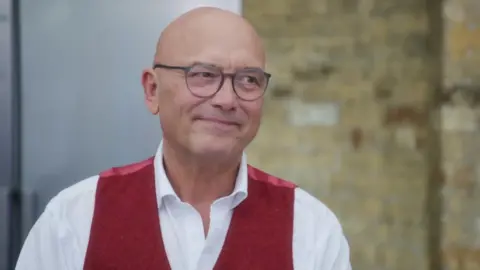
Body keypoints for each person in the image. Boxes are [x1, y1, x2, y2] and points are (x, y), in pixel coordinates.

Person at [15, 7, 351, 270]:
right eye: (204, 75)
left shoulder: (311, 230)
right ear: (152, 90)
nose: (227, 99)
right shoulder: (73, 220)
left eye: (248, 79)